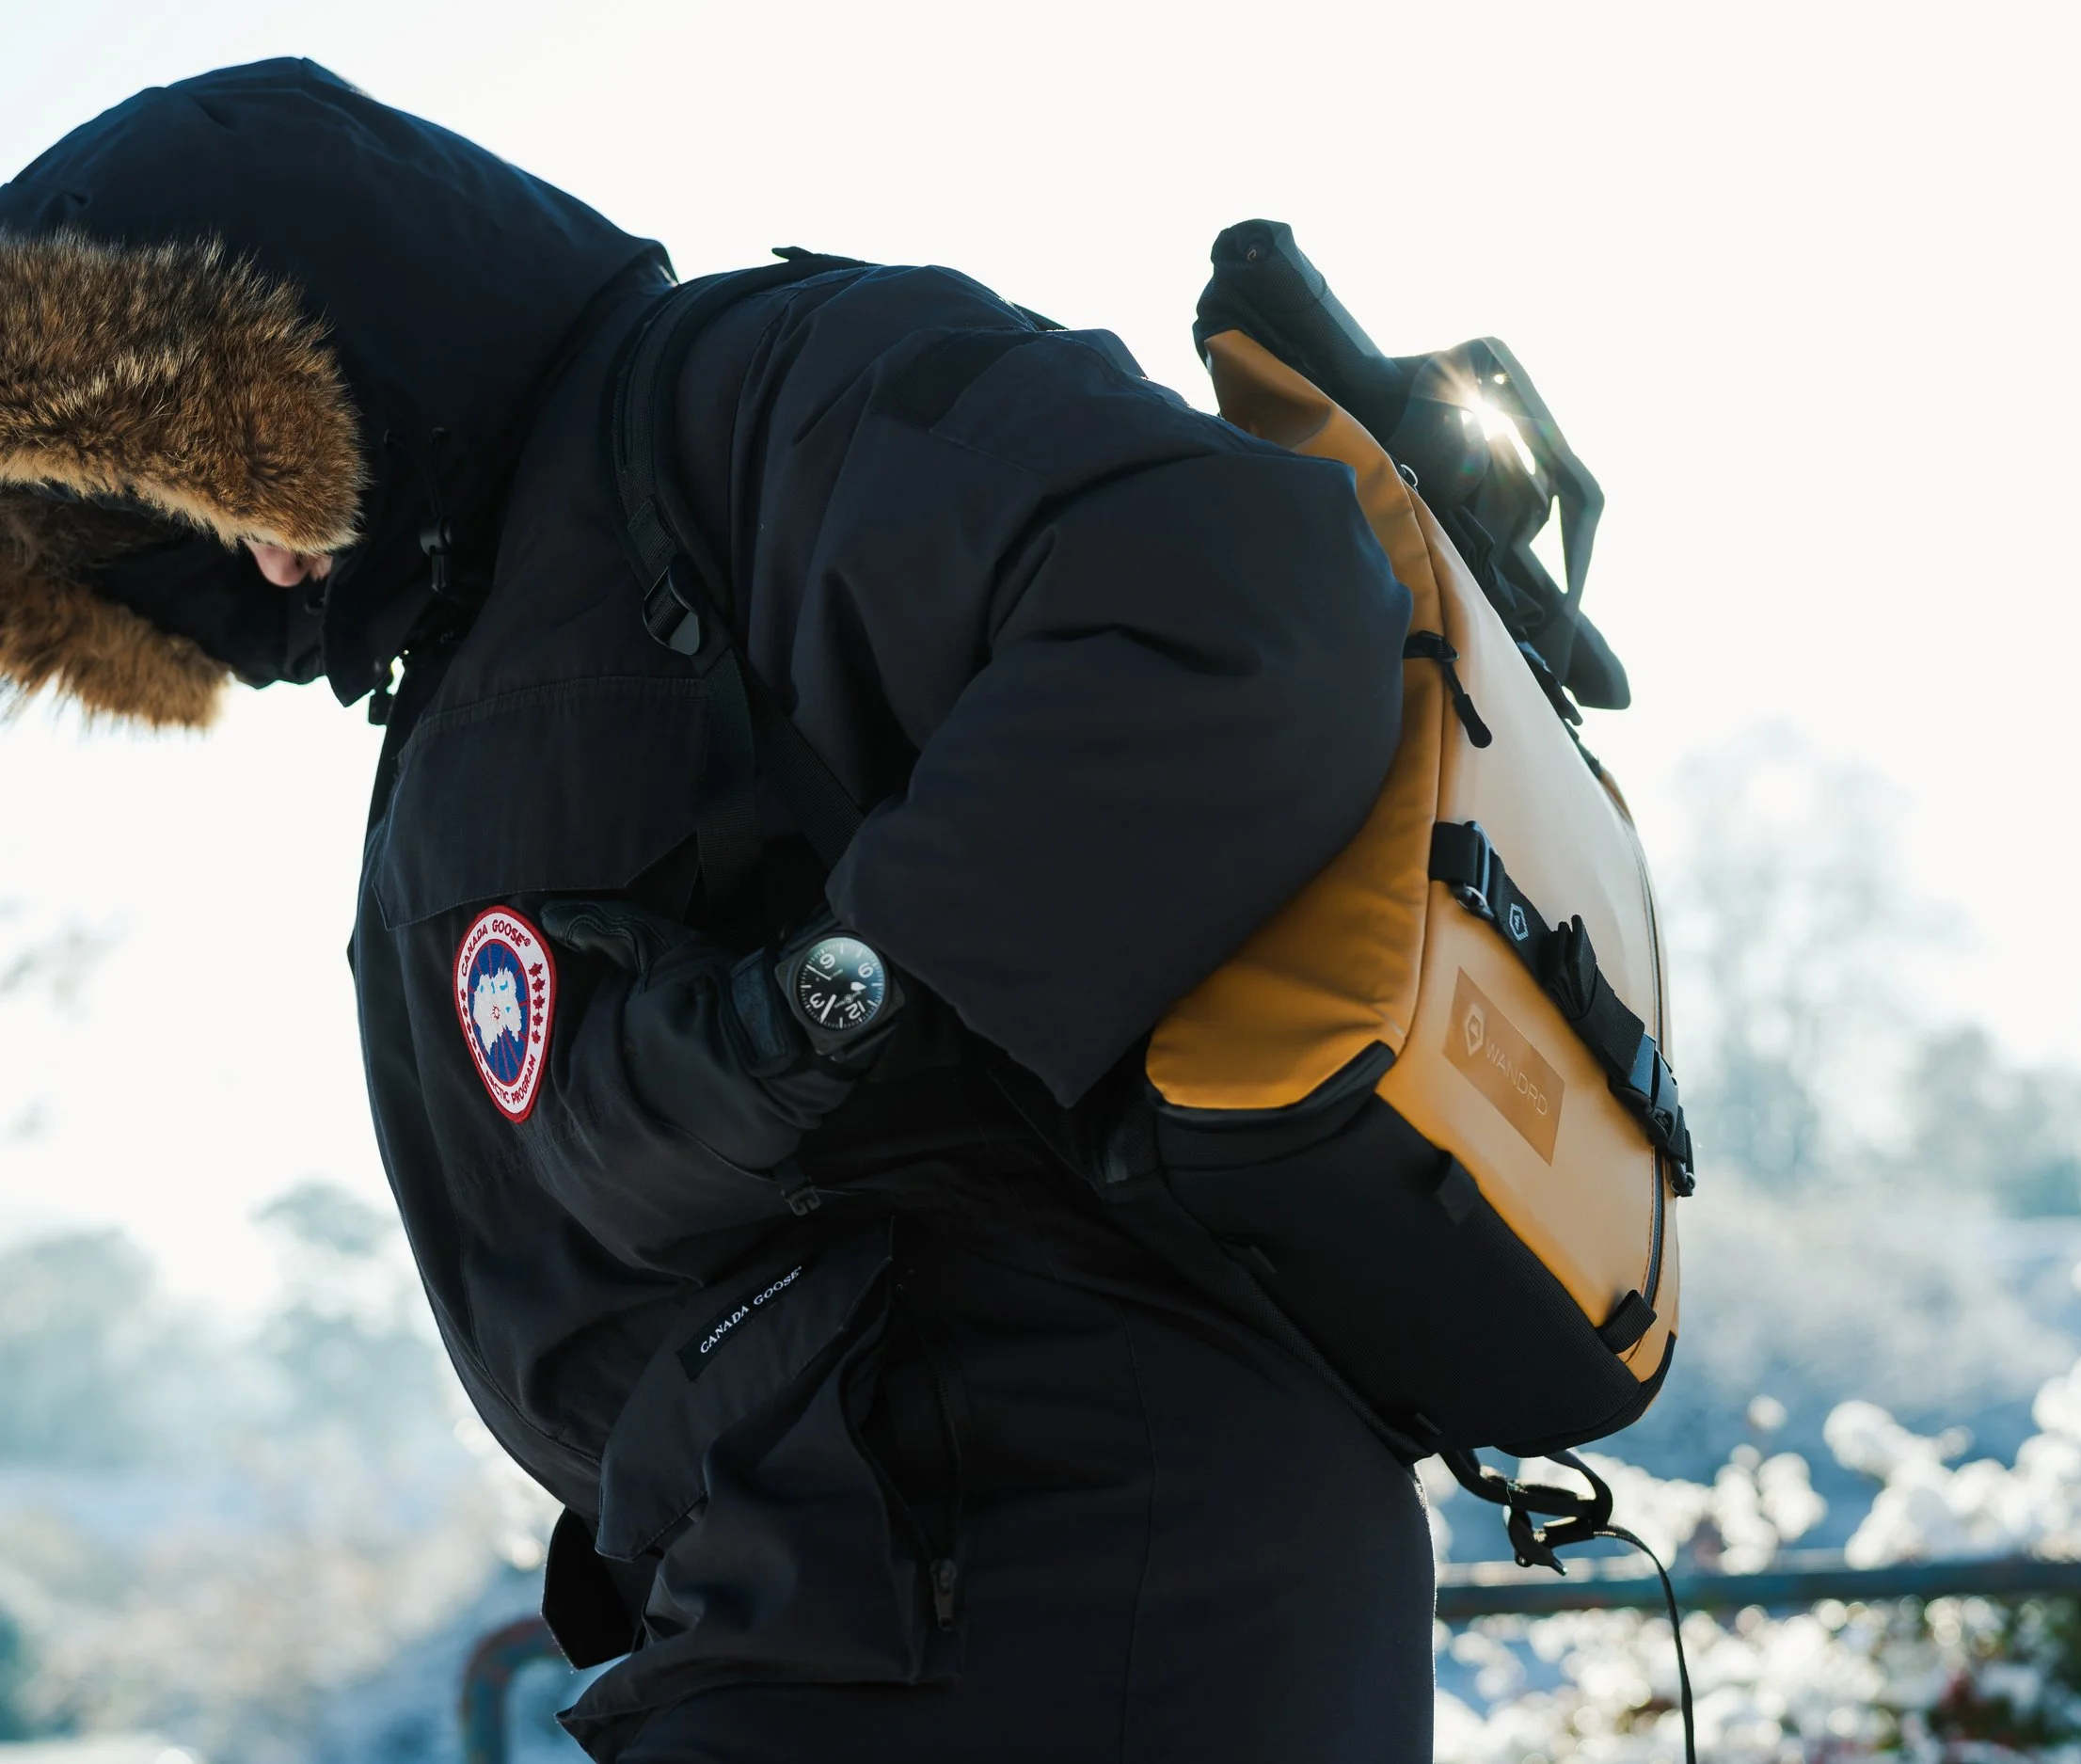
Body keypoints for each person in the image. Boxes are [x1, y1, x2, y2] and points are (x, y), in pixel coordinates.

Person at [0, 60, 1437, 1762]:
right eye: (165, 519)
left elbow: (1243, 593)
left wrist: (823, 1009)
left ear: (355, 331)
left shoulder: (747, 399)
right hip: (833, 1591)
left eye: (246, 460)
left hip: (1065, 1557)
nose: (260, 560)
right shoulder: (485, 628)